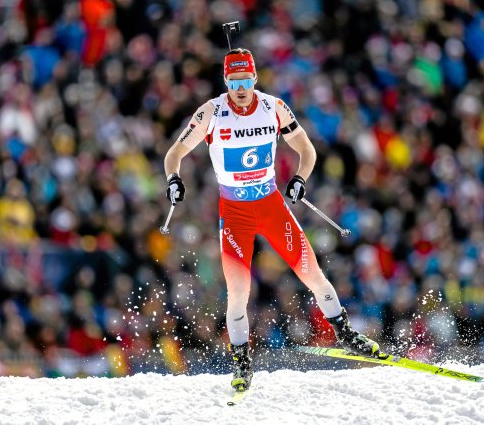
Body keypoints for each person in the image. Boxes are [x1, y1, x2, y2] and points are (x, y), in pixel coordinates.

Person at [163, 49, 381, 391]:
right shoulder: (211, 112)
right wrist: (174, 180)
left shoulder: (273, 108)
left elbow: (306, 149)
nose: (240, 88)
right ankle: (241, 362)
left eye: (246, 80)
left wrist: (300, 178)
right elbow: (174, 153)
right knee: (238, 291)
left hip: (270, 205)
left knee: (311, 271)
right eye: (233, 81)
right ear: (225, 81)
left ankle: (345, 333)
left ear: (255, 78)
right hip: (235, 213)